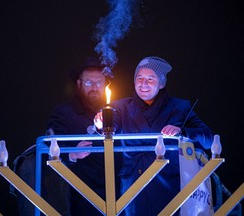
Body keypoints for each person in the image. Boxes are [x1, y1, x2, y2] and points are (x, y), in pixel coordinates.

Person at [94, 56, 213, 215]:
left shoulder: (180, 107)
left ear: (161, 83)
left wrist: (182, 132)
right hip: (132, 188)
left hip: (169, 186)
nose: (143, 84)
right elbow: (110, 126)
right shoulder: (120, 107)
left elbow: (208, 139)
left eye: (150, 79)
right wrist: (101, 124)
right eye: (140, 78)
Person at [46, 56, 122, 216]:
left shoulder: (117, 112)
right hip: (79, 194)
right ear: (79, 84)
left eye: (99, 82)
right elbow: (48, 147)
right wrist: (72, 154)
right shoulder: (63, 113)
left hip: (119, 194)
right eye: (89, 82)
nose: (94, 87)